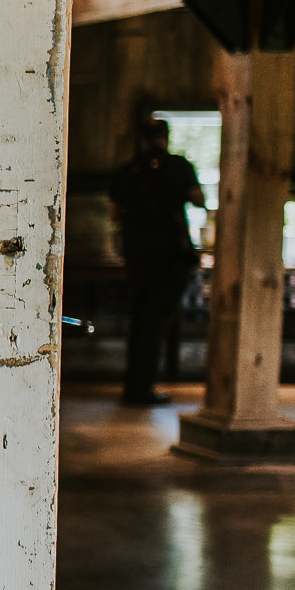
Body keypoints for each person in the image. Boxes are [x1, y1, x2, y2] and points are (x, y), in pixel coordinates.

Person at [108, 118, 206, 406]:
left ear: (140, 138)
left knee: (139, 320)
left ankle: (134, 386)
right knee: (155, 322)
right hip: (169, 258)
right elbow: (199, 199)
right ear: (166, 137)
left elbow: (114, 215)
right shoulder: (179, 167)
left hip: (138, 256)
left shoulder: (127, 171)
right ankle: (142, 388)